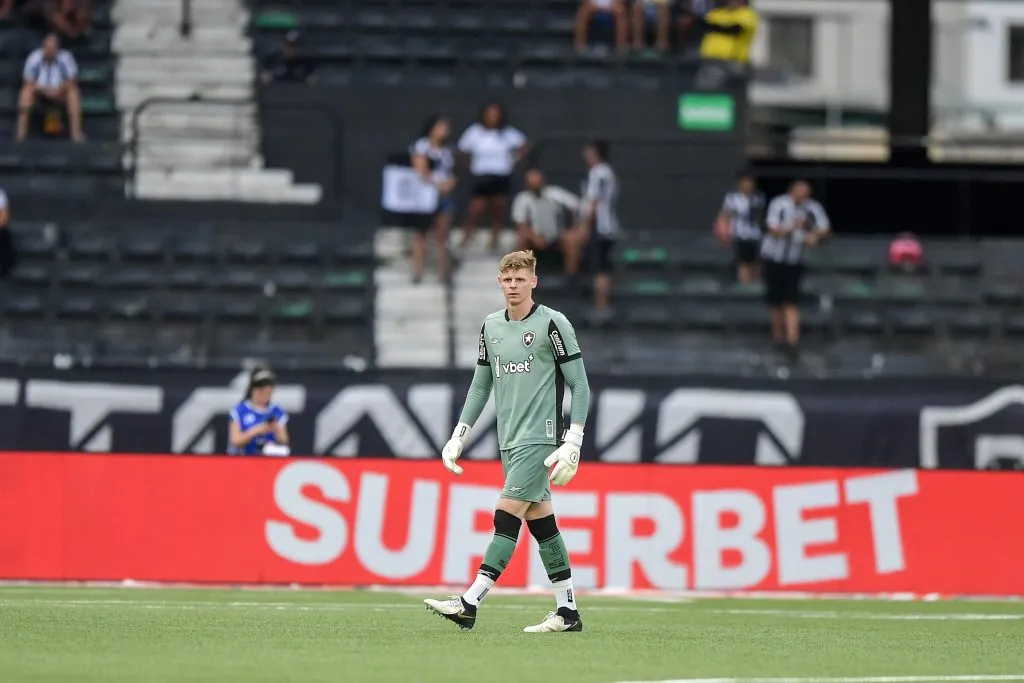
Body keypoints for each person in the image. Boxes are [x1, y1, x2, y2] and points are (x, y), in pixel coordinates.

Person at [424, 249, 591, 634]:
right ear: (500, 282)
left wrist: (573, 439)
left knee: (505, 513)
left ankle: (469, 602)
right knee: (542, 523)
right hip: (509, 440)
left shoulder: (554, 323)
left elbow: (579, 384)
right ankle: (567, 612)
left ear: (534, 281)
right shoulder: (490, 327)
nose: (514, 286)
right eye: (507, 279)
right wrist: (459, 434)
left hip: (541, 438)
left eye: (521, 278)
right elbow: (481, 384)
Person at [762, 180, 830, 359]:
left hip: (795, 260)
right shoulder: (779, 204)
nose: (803, 197)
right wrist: (794, 227)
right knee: (776, 302)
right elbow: (772, 229)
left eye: (806, 193)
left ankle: (793, 340)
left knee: (792, 301)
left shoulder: (812, 208)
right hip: (774, 259)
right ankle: (778, 338)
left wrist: (814, 235)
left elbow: (825, 229)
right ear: (792, 191)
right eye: (800, 192)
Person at [456, 102, 528, 253]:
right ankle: (466, 236)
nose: (493, 117)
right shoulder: (475, 132)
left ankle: (494, 239)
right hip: (482, 175)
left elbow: (524, 144)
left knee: (498, 208)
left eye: (496, 114)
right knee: (476, 208)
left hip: (501, 175)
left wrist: (515, 158)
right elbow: (462, 149)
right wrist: (470, 164)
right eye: (490, 114)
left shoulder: (507, 133)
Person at [511, 169, 587, 277]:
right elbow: (520, 224)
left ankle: (570, 278)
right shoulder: (523, 199)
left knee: (572, 242)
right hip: (534, 238)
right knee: (521, 241)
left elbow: (577, 205)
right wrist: (535, 238)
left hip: (557, 236)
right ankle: (522, 277)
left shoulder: (555, 194)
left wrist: (576, 228)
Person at [409, 115, 456, 283]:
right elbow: (421, 171)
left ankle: (442, 273)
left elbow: (451, 172)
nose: (445, 131)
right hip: (425, 195)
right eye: (441, 127)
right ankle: (417, 270)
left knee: (442, 235)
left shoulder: (448, 150)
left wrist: (450, 183)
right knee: (421, 234)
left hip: (443, 195)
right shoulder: (422, 146)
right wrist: (438, 183)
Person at [17, 33, 84, 142]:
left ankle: (76, 133)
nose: (50, 49)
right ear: (43, 47)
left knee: (74, 93)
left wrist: (59, 90)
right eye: (48, 46)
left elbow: (72, 80)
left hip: (60, 92)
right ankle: (21, 134)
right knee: (26, 93)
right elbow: (28, 81)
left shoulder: (66, 58)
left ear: (57, 48)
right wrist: (42, 90)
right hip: (39, 92)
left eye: (53, 47)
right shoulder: (34, 58)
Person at [580, 140, 619, 313]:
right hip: (608, 225)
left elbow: (593, 202)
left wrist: (585, 226)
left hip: (600, 227)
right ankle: (603, 303)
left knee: (600, 267)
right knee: (604, 266)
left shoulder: (598, 173)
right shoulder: (608, 172)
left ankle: (600, 304)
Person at [227, 367, 291, 456]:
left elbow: (284, 440)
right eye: (262, 392)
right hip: (244, 460)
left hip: (270, 460)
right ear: (254, 390)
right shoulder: (239, 411)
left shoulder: (277, 412)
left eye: (268, 393)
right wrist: (256, 431)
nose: (265, 397)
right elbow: (235, 440)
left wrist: (277, 429)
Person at [716, 171, 765, 283]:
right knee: (742, 262)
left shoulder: (757, 198)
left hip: (755, 235)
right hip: (739, 234)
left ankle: (755, 283)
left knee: (756, 262)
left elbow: (759, 216)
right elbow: (725, 215)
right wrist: (722, 233)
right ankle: (744, 284)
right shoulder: (732, 198)